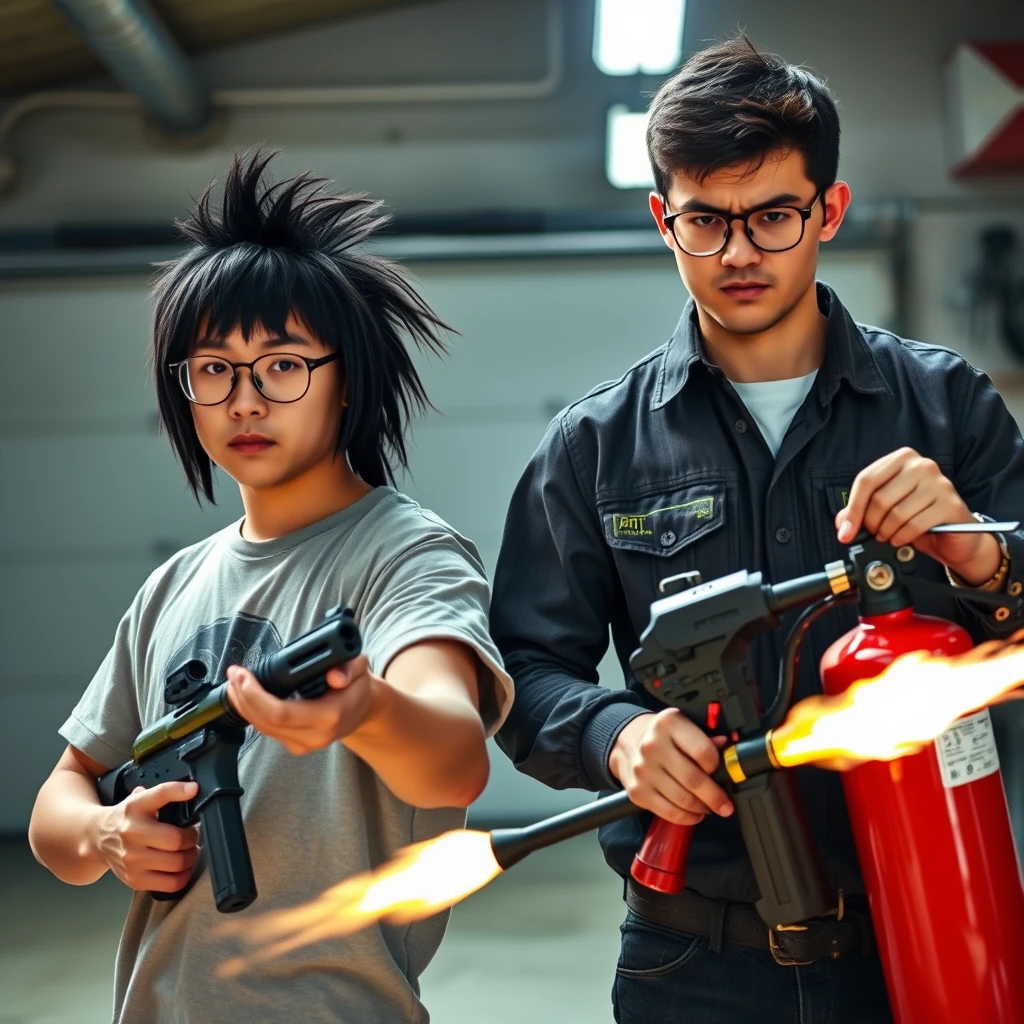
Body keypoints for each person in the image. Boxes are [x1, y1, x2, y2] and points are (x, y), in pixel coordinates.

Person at [490, 36, 1024, 1024]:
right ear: (662, 220)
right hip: (692, 959)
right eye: (704, 220)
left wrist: (980, 551)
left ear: (829, 209)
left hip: (933, 929)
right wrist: (617, 735)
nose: (737, 252)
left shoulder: (946, 406)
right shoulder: (594, 447)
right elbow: (520, 669)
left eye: (772, 215)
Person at [28, 150, 512, 1024]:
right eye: (213, 369)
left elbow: (454, 757)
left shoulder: (405, 554)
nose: (245, 400)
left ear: (347, 379)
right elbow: (59, 803)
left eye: (283, 365)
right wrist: (106, 834)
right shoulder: (174, 585)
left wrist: (362, 713)